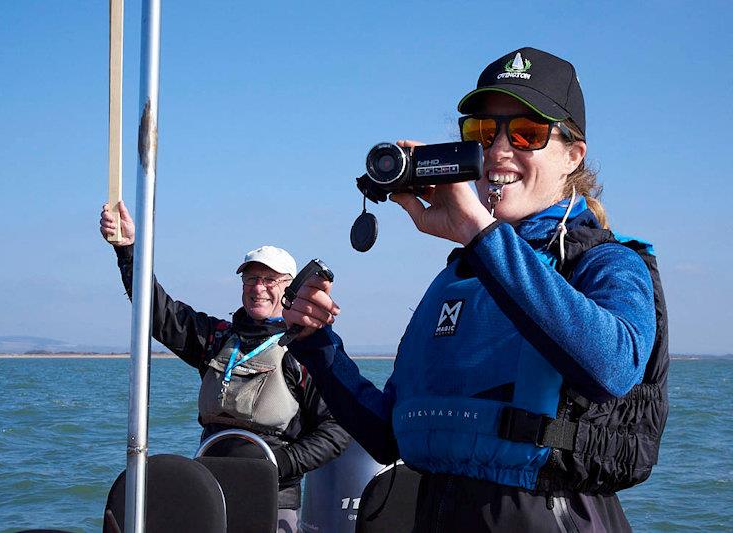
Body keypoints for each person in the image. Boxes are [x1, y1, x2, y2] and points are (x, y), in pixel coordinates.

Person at [282, 47, 668, 532]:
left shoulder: (608, 263)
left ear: (573, 155)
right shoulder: (460, 275)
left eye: (528, 133)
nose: (499, 151)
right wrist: (318, 346)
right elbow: (389, 435)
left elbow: (612, 366)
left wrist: (479, 235)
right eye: (484, 132)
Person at [99, 202, 350, 532]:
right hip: (208, 489)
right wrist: (127, 250)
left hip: (273, 497)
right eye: (250, 278)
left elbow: (337, 428)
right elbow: (157, 312)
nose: (258, 287)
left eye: (269, 279)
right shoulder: (216, 338)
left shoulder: (306, 349)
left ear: (290, 287)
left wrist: (281, 465)